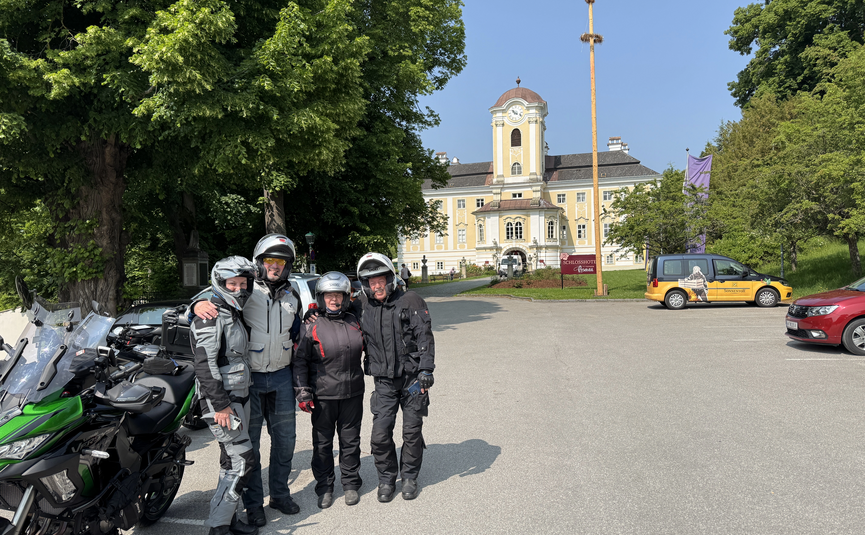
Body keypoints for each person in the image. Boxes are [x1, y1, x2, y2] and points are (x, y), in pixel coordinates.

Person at [192, 234, 302, 526]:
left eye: (280, 261)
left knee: (285, 442)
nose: (275, 266)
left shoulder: (294, 295)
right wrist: (195, 306)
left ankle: (280, 494)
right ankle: (253, 505)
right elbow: (208, 300)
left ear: (288, 265)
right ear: (259, 263)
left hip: (281, 376)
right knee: (248, 446)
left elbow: (298, 332)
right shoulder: (245, 289)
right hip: (250, 381)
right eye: (269, 261)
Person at [356, 252, 435, 502]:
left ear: (390, 279)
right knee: (380, 434)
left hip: (412, 378)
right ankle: (386, 478)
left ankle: (409, 476)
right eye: (371, 282)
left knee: (411, 431)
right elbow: (335, 313)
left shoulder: (411, 300)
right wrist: (313, 315)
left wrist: (426, 370)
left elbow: (425, 336)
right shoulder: (361, 305)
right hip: (383, 381)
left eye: (380, 280)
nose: (376, 286)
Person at [190, 257, 259, 535]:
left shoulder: (232, 311)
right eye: (233, 283)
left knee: (230, 460)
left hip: (238, 395)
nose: (240, 289)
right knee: (243, 460)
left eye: (244, 283)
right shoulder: (210, 315)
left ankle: (226, 519)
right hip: (222, 402)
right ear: (220, 284)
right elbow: (204, 365)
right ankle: (218, 527)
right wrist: (220, 405)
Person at [293, 272, 365, 509]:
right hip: (323, 395)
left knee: (350, 441)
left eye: (338, 295)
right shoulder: (311, 324)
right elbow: (300, 360)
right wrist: (302, 391)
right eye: (328, 295)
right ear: (320, 298)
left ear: (346, 298)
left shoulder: (355, 320)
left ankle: (351, 483)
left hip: (353, 392)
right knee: (323, 444)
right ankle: (324, 486)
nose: (334, 300)